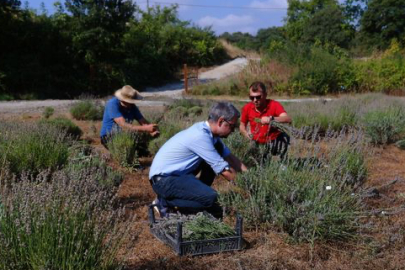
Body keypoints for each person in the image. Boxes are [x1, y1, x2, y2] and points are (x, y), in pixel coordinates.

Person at [149, 102, 248, 218]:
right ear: (221, 121)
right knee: (212, 199)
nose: (233, 130)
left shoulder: (210, 134)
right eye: (232, 126)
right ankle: (163, 202)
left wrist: (251, 177)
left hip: (178, 175)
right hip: (164, 181)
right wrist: (247, 189)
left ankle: (198, 194)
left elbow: (231, 158)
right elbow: (225, 170)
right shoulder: (200, 136)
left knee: (217, 150)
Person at [240, 81, 292, 159]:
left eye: (258, 97)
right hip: (258, 142)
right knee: (260, 163)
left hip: (275, 140)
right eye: (252, 97)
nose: (255, 100)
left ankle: (283, 163)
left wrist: (272, 119)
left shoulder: (274, 105)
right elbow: (242, 125)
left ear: (265, 95)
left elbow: (288, 119)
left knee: (284, 137)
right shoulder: (247, 108)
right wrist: (245, 133)